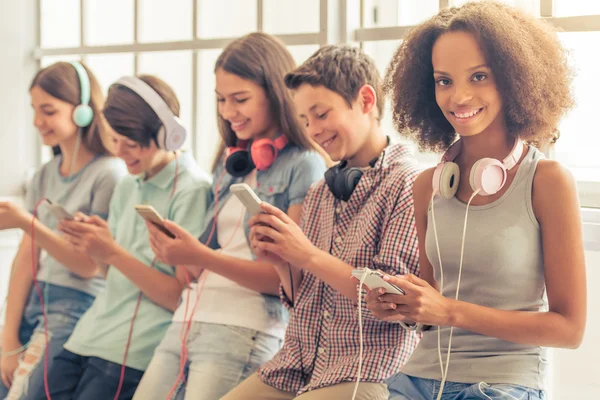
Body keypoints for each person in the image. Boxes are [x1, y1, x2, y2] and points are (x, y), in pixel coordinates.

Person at [366, 2, 586, 399]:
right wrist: (401, 306)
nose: (459, 97)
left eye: (479, 76)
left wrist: (449, 311)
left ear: (514, 78)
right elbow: (429, 307)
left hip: (502, 384)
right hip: (417, 379)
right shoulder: (429, 185)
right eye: (443, 80)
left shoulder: (547, 182)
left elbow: (569, 330)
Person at [132, 32, 327, 400]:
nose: (227, 111)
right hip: (189, 319)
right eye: (221, 99)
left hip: (244, 326)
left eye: (240, 99)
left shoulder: (304, 165)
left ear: (275, 94)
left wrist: (198, 256)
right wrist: (176, 252)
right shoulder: (231, 164)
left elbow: (284, 279)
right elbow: (197, 267)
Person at [223, 45, 421, 400]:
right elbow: (306, 300)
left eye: (321, 114)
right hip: (294, 367)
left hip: (367, 370)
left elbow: (393, 302)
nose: (313, 130)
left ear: (365, 100)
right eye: (304, 120)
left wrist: (307, 255)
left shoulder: (409, 184)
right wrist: (283, 262)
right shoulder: (320, 192)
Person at [44, 75, 211, 399]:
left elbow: (177, 297)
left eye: (130, 144)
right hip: (89, 333)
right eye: (114, 140)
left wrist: (114, 253)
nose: (120, 152)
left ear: (167, 135)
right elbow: (111, 274)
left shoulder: (192, 190)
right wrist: (98, 247)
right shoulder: (128, 184)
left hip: (132, 348)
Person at [0, 61, 125, 400]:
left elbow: (89, 266)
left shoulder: (109, 174)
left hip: (76, 306)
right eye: (34, 110)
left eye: (48, 111)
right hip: (33, 302)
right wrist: (7, 336)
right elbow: (25, 260)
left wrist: (28, 222)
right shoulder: (45, 174)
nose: (37, 122)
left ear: (83, 111)